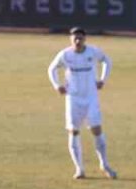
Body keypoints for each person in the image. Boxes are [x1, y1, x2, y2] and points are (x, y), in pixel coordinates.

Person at [47, 28, 116, 180]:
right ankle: (79, 169)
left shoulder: (93, 52)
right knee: (73, 131)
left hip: (91, 98)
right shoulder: (65, 55)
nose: (78, 41)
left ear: (85, 39)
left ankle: (104, 164)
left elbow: (107, 61)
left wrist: (102, 80)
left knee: (96, 130)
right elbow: (51, 69)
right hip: (73, 98)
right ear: (70, 40)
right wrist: (57, 85)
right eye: (75, 39)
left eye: (80, 38)